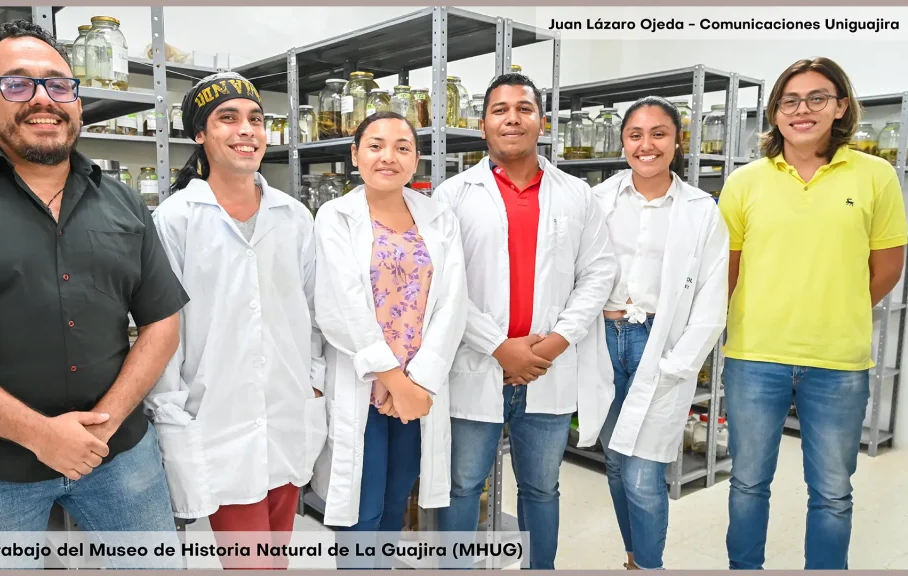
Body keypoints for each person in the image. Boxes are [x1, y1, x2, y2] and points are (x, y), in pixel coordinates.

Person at [0, 20, 187, 568]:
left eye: (58, 84)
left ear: (76, 100)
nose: (43, 99)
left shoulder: (123, 204)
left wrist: (106, 423)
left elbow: (163, 322)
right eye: (17, 85)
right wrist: (40, 436)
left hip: (116, 455)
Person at [718, 57, 907, 570]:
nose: (803, 110)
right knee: (748, 484)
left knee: (832, 492)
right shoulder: (744, 182)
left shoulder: (876, 176)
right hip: (754, 357)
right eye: (790, 100)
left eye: (817, 97)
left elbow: (888, 267)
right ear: (775, 112)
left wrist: (836, 305)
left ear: (841, 106)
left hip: (839, 363)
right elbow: (727, 273)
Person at [433, 73, 617, 570]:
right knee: (464, 484)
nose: (511, 118)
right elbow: (444, 286)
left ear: (543, 121)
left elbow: (598, 273)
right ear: (482, 123)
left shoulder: (577, 193)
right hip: (475, 364)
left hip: (547, 371)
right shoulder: (452, 196)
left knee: (542, 487)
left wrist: (555, 343)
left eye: (523, 108)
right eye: (499, 109)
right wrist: (499, 346)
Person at [144, 71, 327, 570]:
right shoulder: (176, 219)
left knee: (277, 558)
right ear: (200, 134)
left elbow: (313, 311)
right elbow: (164, 327)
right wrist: (171, 409)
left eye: (255, 119)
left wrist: (313, 382)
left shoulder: (293, 216)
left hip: (289, 409)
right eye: (228, 118)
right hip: (218, 417)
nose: (246, 129)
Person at [310, 111, 468, 569]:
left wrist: (418, 382)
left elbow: (452, 303)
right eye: (375, 145)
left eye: (402, 147)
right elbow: (341, 305)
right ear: (354, 154)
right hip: (367, 381)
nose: (388, 156)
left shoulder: (438, 216)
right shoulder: (335, 216)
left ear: (416, 159)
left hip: (417, 388)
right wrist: (392, 378)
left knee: (397, 498)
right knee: (363, 508)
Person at [591, 97, 729, 570]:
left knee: (644, 473)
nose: (646, 145)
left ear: (677, 140)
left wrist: (678, 364)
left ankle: (649, 565)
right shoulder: (599, 200)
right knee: (614, 463)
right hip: (604, 344)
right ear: (623, 141)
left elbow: (713, 299)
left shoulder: (701, 210)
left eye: (658, 134)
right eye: (635, 135)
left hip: (660, 344)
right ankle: (633, 558)